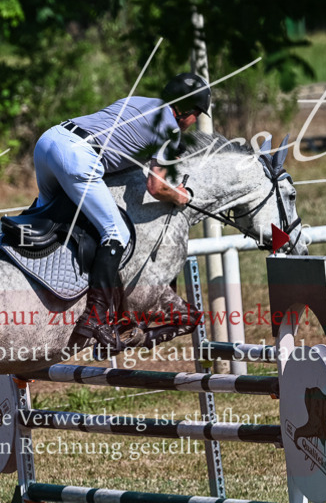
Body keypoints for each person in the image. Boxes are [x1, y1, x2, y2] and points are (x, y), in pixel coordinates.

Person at [32, 72, 210, 352]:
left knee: (46, 218)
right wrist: (182, 196)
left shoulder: (139, 101)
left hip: (50, 141)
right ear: (186, 110)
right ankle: (97, 318)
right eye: (197, 113)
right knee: (117, 233)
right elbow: (156, 186)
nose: (195, 121)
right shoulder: (170, 130)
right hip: (79, 156)